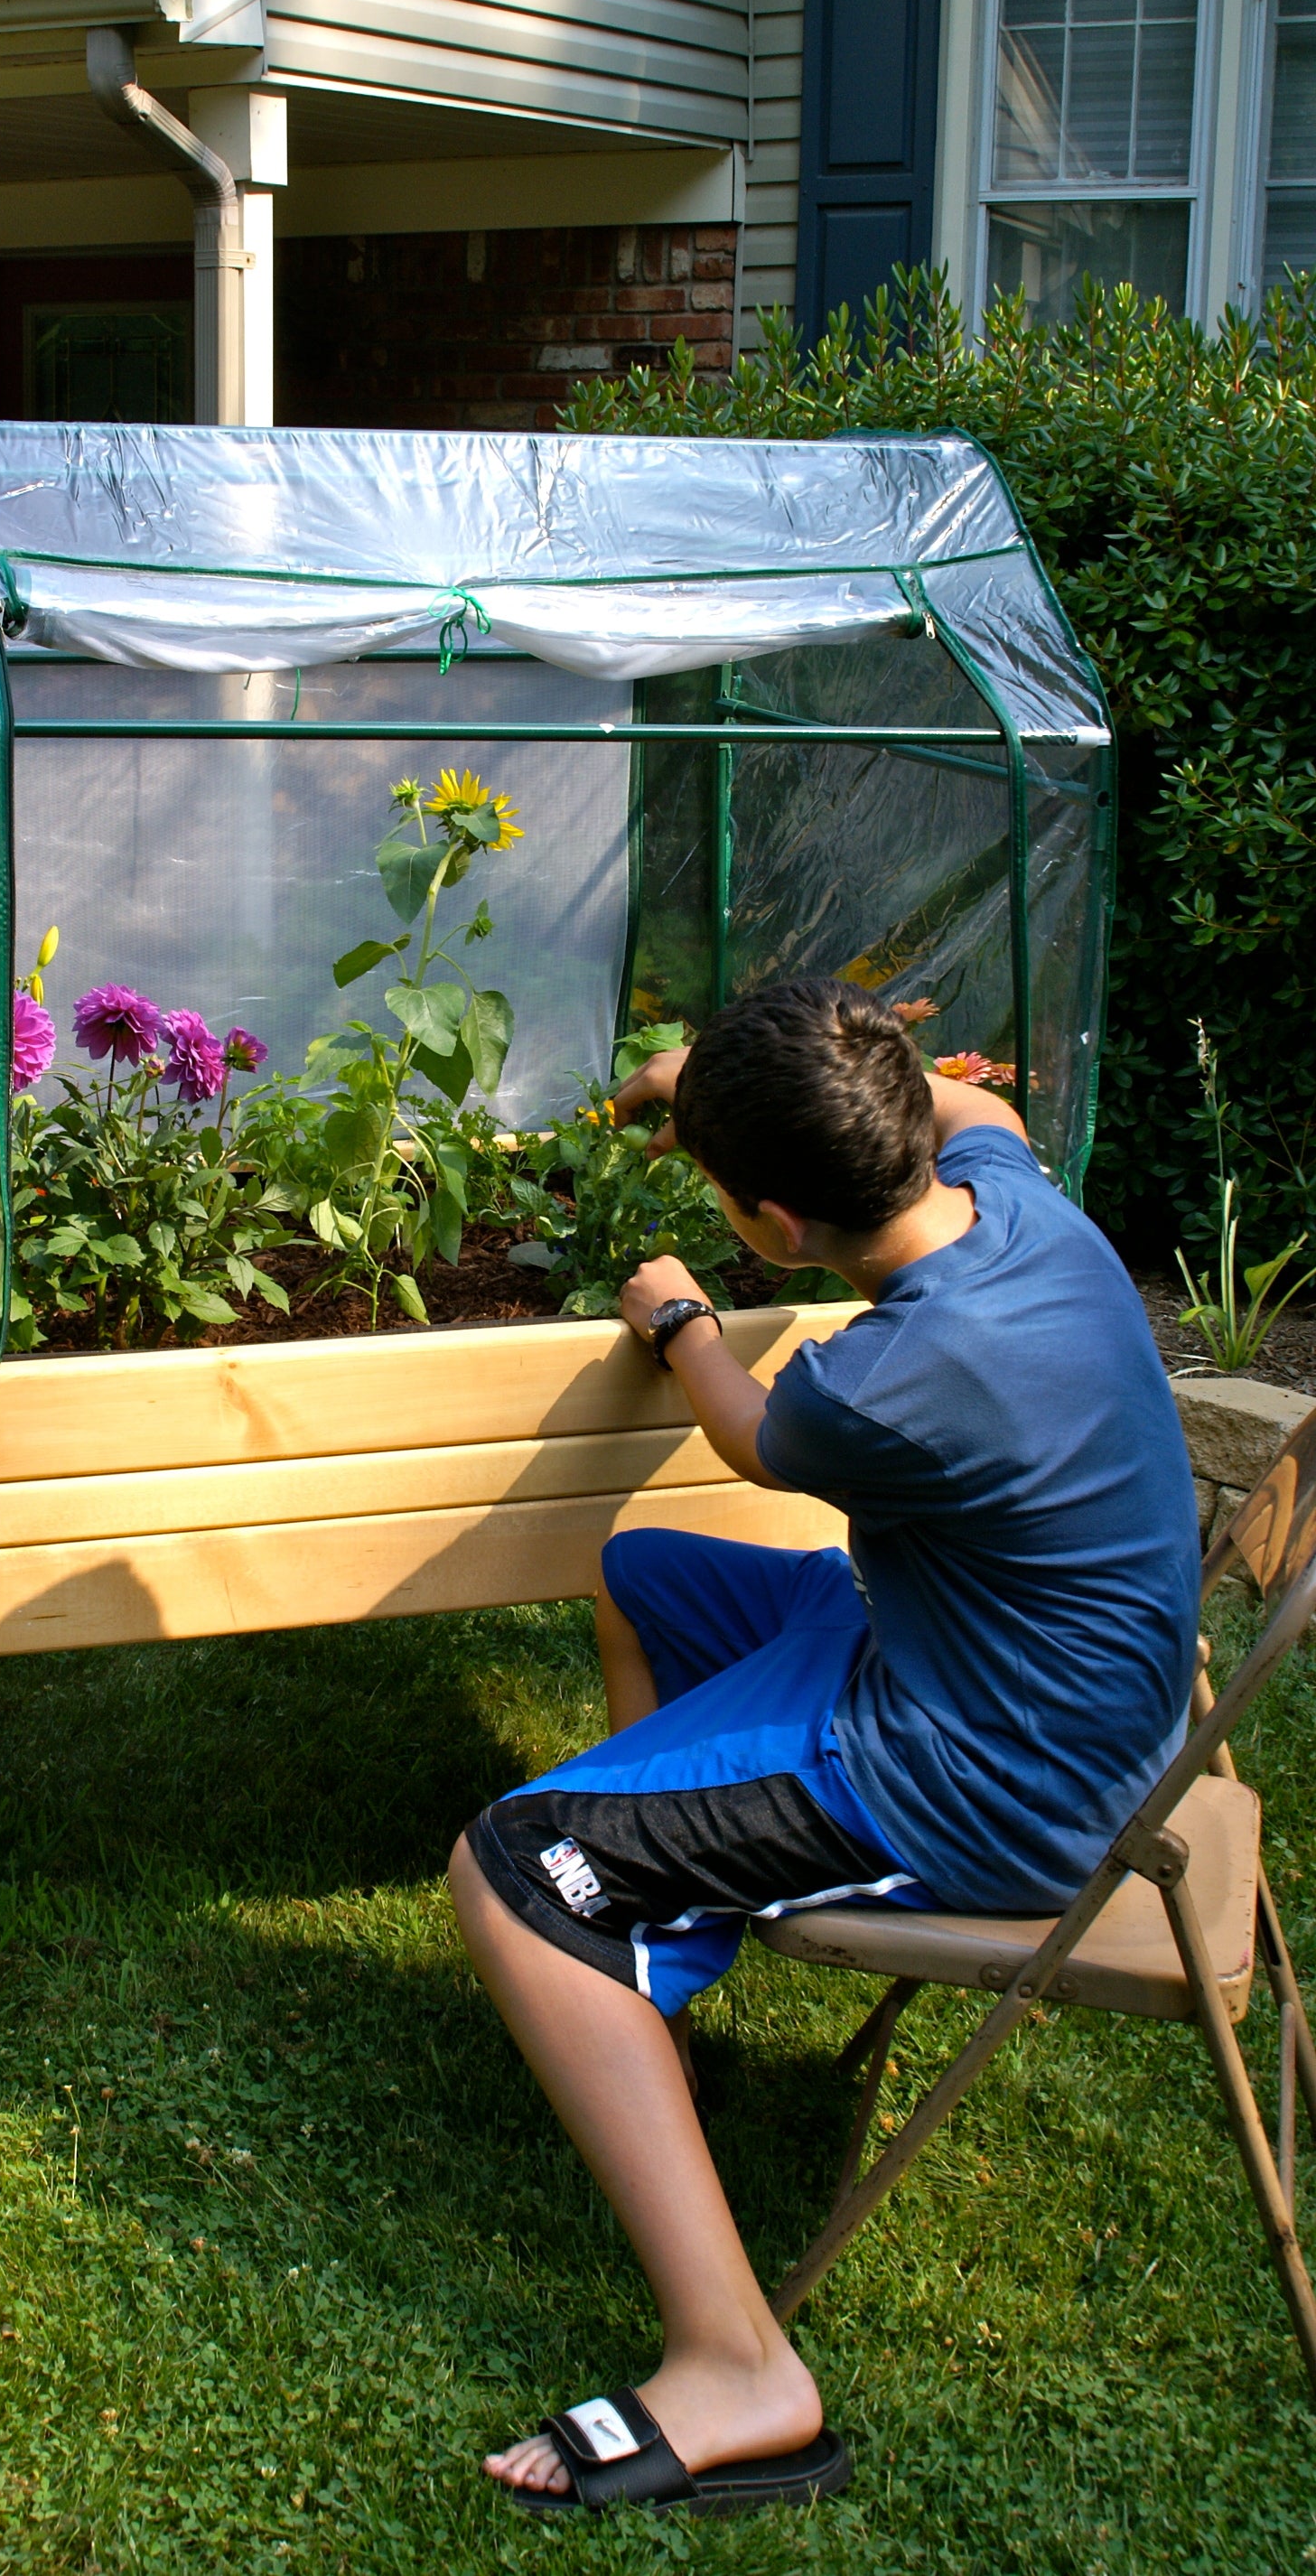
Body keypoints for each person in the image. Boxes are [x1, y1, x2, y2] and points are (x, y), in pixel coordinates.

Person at [448, 974, 1199, 2519]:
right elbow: (978, 1108)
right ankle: (644, 2006)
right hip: (1073, 1694)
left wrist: (675, 1316)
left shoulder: (877, 1384)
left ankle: (739, 2367)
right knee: (646, 1580)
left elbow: (745, 1430)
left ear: (770, 1223)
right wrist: (695, 1075)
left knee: (512, 1868)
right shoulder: (1020, 1204)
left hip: (990, 1775)